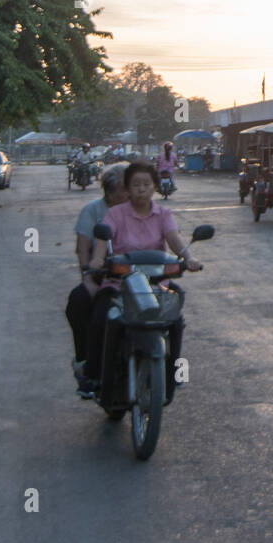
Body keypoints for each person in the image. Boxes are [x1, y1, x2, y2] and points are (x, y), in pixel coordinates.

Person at [84, 162, 202, 401]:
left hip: (156, 285)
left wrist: (188, 258)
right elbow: (101, 241)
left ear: (155, 187)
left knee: (175, 320)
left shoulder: (164, 214)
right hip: (120, 284)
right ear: (127, 188)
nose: (141, 189)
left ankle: (171, 375)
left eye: (146, 184)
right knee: (101, 318)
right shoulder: (115, 214)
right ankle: (94, 376)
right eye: (135, 184)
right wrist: (97, 259)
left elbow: (174, 239)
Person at [65, 162, 130, 396]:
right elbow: (83, 249)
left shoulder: (141, 209)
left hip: (138, 277)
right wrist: (88, 280)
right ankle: (86, 366)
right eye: (124, 188)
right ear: (110, 191)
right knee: (79, 303)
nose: (130, 193)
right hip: (104, 277)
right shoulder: (93, 211)